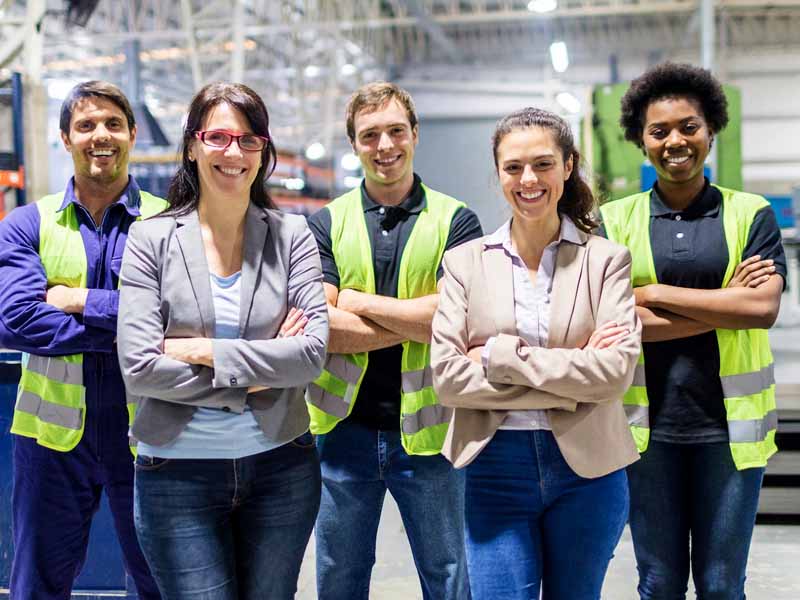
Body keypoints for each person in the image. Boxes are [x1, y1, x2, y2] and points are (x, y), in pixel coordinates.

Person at [116, 82, 328, 599]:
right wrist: (257, 377)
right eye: (218, 137)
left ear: (262, 152)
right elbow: (141, 367)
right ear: (192, 145)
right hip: (176, 476)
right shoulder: (152, 238)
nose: (233, 152)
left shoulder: (292, 235)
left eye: (248, 139)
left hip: (281, 467)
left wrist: (202, 352)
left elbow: (309, 355)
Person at [430, 107, 641, 600]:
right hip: (494, 464)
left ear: (568, 166)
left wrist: (500, 356)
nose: (529, 179)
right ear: (499, 172)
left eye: (544, 164)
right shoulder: (463, 264)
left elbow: (612, 374)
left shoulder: (606, 261)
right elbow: (447, 377)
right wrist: (571, 380)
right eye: (513, 167)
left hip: (589, 469)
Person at [600, 62, 785, 599]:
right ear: (642, 140)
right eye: (659, 131)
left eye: (689, 126)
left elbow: (762, 309)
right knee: (658, 584)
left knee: (723, 585)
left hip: (730, 433)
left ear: (710, 131)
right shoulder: (616, 221)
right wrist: (727, 301)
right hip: (645, 431)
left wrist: (652, 294)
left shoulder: (751, 214)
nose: (675, 140)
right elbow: (612, 324)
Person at [306, 81, 482, 600]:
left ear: (415, 135)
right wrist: (417, 318)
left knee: (448, 576)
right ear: (354, 143)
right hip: (342, 432)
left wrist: (357, 303)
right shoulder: (326, 222)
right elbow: (324, 330)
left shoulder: (457, 220)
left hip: (430, 435)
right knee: (339, 576)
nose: (385, 146)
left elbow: (455, 322)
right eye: (370, 135)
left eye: (395, 131)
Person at [0, 81, 163, 600]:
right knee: (37, 588)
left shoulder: (169, 222)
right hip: (50, 442)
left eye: (114, 124)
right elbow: (16, 319)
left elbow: (186, 317)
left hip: (152, 434)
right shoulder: (28, 222)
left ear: (133, 135)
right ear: (65, 138)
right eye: (86, 125)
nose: (101, 135)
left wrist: (78, 300)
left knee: (161, 583)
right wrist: (133, 323)